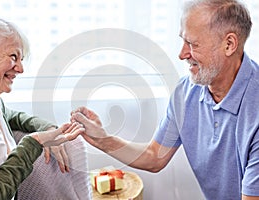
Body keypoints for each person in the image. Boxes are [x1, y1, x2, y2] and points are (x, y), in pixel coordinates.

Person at [71, 0, 259, 199]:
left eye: (193, 44)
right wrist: (102, 139)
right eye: (183, 41)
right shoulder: (186, 92)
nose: (182, 54)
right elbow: (154, 157)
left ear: (229, 44)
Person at [0, 14, 85, 200]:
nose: (20, 68)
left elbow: (13, 116)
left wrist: (48, 128)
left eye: (21, 59)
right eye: (13, 57)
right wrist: (33, 143)